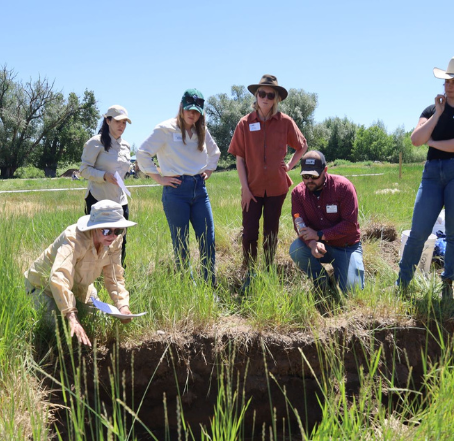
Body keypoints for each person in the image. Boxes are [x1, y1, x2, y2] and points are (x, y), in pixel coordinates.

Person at [397, 56, 454, 298]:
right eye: (447, 81)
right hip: (433, 174)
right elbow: (416, 139)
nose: (449, 86)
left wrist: (434, 142)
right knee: (418, 231)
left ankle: (448, 282)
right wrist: (437, 114)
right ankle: (402, 283)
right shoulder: (431, 109)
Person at [228, 74, 308, 290]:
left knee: (271, 231)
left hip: (276, 187)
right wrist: (244, 188)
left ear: (276, 99)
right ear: (256, 95)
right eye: (261, 93)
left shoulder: (285, 122)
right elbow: (240, 158)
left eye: (269, 95)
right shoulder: (245, 123)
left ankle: (269, 270)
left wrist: (290, 165)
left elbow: (302, 146)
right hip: (251, 188)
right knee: (249, 231)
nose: (265, 97)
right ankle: (249, 273)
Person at [136, 89, 221, 284]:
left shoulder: (202, 130)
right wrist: (159, 178)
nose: (193, 114)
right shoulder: (165, 129)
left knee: (208, 239)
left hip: (199, 190)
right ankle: (187, 286)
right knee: (181, 243)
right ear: (181, 107)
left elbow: (214, 152)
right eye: (189, 110)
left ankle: (210, 284)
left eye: (197, 111)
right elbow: (143, 153)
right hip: (175, 191)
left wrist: (208, 170)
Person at [24, 200, 137, 346]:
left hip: (79, 287)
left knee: (95, 318)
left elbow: (114, 276)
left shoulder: (115, 241)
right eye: (107, 231)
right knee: (58, 331)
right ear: (95, 228)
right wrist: (71, 316)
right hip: (42, 287)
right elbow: (59, 276)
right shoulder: (74, 238)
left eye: (118, 231)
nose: (113, 236)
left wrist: (123, 306)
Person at [289, 151, 364, 295]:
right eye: (305, 176)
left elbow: (350, 224)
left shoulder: (343, 187)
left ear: (325, 170)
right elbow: (299, 225)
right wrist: (312, 243)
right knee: (296, 249)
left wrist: (319, 235)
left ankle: (341, 272)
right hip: (318, 246)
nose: (309, 180)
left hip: (346, 247)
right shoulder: (298, 194)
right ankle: (322, 280)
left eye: (314, 176)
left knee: (353, 292)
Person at [79, 105, 133, 266]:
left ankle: (117, 274)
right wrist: (103, 176)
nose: (121, 126)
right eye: (117, 121)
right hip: (98, 200)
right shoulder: (95, 142)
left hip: (120, 201)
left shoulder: (127, 146)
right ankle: (93, 275)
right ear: (107, 121)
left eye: (124, 122)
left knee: (120, 240)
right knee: (98, 240)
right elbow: (83, 170)